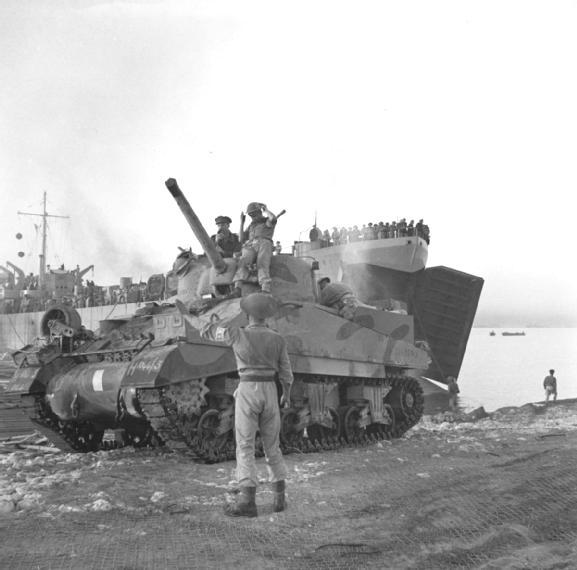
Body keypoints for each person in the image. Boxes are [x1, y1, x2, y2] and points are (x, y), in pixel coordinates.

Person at [199, 292, 293, 517]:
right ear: (267, 314)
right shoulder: (278, 338)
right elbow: (287, 373)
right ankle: (279, 498)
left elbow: (207, 332)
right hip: (270, 390)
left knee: (245, 446)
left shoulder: (235, 334)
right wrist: (286, 395)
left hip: (248, 389)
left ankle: (247, 501)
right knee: (273, 446)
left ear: (248, 314)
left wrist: (215, 322)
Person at [233, 202, 279, 294]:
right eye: (251, 215)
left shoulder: (267, 222)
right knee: (243, 261)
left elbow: (273, 218)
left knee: (262, 263)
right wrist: (242, 223)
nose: (253, 216)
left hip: (264, 243)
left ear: (259, 212)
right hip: (251, 244)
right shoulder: (252, 225)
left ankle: (265, 288)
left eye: (254, 214)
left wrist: (266, 210)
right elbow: (241, 239)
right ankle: (237, 288)